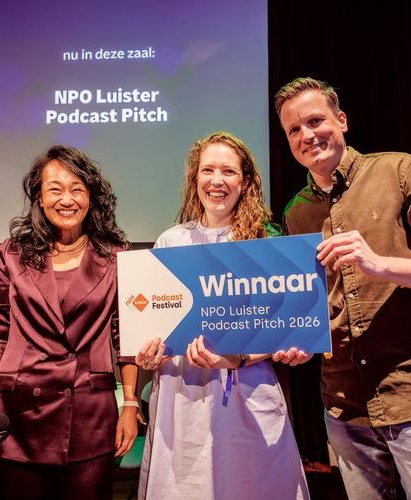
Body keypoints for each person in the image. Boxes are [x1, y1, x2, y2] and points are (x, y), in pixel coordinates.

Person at [274, 77, 411, 499]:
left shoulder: (401, 171)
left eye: (315, 121)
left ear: (342, 120)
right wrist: (301, 342)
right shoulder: (296, 213)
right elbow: (315, 307)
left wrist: (379, 264)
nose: (307, 135)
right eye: (294, 130)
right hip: (345, 409)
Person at [135, 131, 310, 500]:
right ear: (194, 178)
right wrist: (151, 355)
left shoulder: (266, 243)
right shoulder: (171, 242)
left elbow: (284, 328)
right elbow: (157, 329)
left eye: (228, 171)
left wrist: (237, 357)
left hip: (246, 395)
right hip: (182, 396)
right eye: (208, 170)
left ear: (244, 182)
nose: (217, 181)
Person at [0, 145, 139, 500]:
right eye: (55, 189)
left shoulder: (116, 256)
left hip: (89, 416)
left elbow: (126, 336)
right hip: (18, 415)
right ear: (40, 198)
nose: (66, 199)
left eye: (77, 189)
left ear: (91, 197)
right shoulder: (11, 253)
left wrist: (131, 405)